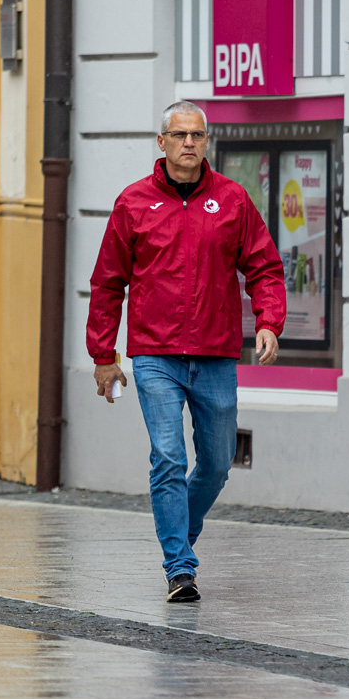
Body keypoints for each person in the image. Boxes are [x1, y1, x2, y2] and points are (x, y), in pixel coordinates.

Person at [86, 101, 287, 602]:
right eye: (180, 135)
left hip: (216, 354)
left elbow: (264, 266)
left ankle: (179, 532)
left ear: (206, 141)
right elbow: (108, 283)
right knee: (168, 457)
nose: (189, 143)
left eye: (197, 135)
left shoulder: (233, 200)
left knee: (217, 464)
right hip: (155, 355)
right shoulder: (133, 203)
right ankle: (179, 566)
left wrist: (268, 321)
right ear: (162, 142)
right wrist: (104, 355)